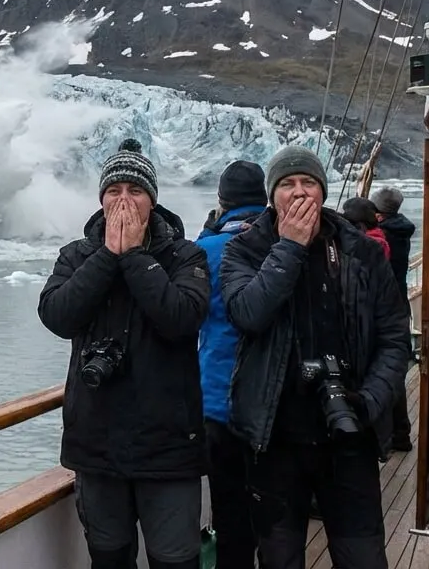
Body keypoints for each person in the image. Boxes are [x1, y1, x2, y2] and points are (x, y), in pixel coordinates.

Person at [220, 145, 411, 569]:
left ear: (323, 191)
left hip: (349, 433)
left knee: (363, 557)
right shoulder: (245, 250)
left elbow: (396, 338)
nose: (300, 193)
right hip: (273, 438)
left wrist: (370, 402)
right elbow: (248, 314)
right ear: (272, 195)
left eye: (309, 183)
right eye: (288, 184)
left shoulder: (361, 251)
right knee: (279, 558)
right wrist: (288, 247)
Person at [38, 138, 212, 569]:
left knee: (176, 560)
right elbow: (57, 316)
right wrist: (105, 257)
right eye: (114, 191)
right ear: (101, 199)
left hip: (168, 447)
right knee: (109, 558)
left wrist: (134, 256)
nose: (124, 201)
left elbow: (181, 318)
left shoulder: (183, 256)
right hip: (97, 446)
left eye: (135, 191)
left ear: (152, 201)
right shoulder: (76, 256)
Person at [194, 160, 268, 569]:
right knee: (275, 513)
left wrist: (208, 233)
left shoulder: (206, 250)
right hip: (273, 402)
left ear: (221, 202)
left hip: (218, 400)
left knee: (230, 509)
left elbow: (193, 311)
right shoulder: (281, 242)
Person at [370, 186, 416, 453]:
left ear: (379, 215)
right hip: (400, 303)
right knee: (396, 367)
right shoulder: (401, 231)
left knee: (383, 368)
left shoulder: (381, 237)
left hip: (385, 308)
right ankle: (401, 433)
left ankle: (390, 435)